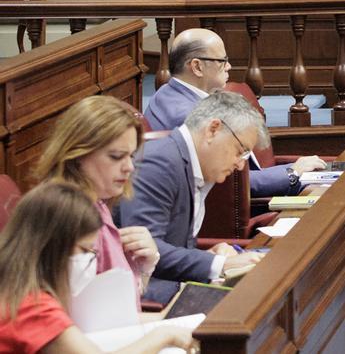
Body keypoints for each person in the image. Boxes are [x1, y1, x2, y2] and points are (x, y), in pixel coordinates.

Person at [0, 181, 195, 353]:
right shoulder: (33, 307)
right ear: (52, 246)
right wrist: (163, 335)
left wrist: (165, 320)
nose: (90, 260)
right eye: (85, 250)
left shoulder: (22, 290)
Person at [120, 92, 270, 304]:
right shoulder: (159, 163)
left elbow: (171, 242)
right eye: (240, 151)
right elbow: (144, 248)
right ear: (213, 129)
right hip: (145, 298)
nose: (240, 164)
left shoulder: (188, 162)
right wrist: (217, 264)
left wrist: (208, 254)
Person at [144, 28, 327, 196]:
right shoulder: (189, 117)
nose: (229, 66)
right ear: (197, 66)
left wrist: (294, 168)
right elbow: (231, 182)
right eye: (222, 61)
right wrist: (292, 172)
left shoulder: (168, 93)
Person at [35, 97, 160, 306]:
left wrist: (144, 267)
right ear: (77, 153)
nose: (129, 167)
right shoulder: (68, 217)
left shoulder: (98, 203)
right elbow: (81, 321)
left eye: (130, 156)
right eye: (116, 156)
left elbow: (119, 306)